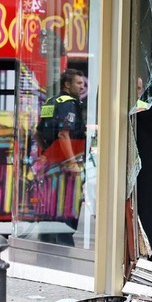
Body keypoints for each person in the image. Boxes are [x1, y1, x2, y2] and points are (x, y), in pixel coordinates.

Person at [34, 68, 86, 246]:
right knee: (68, 208)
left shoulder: (51, 101)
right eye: (78, 83)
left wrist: (44, 154)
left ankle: (47, 243)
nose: (82, 87)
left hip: (51, 166)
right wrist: (72, 163)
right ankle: (64, 245)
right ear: (67, 84)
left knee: (51, 207)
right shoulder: (69, 103)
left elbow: (38, 133)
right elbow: (64, 135)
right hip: (66, 169)